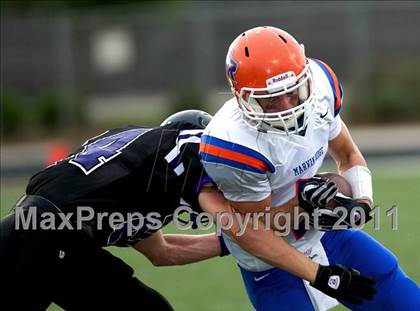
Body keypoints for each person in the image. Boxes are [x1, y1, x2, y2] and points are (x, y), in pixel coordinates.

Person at [198, 26, 420, 310]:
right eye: (271, 99)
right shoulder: (231, 143)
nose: (287, 106)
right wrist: (305, 206)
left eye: (294, 91)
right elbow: (260, 228)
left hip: (323, 232)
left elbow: (347, 154)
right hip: (271, 258)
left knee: (398, 293)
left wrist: (362, 202)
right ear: (241, 96)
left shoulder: (322, 84)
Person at [0, 110, 230, 310]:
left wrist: (231, 242)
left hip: (43, 232)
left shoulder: (139, 168)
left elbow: (163, 250)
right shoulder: (178, 148)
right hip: (48, 235)